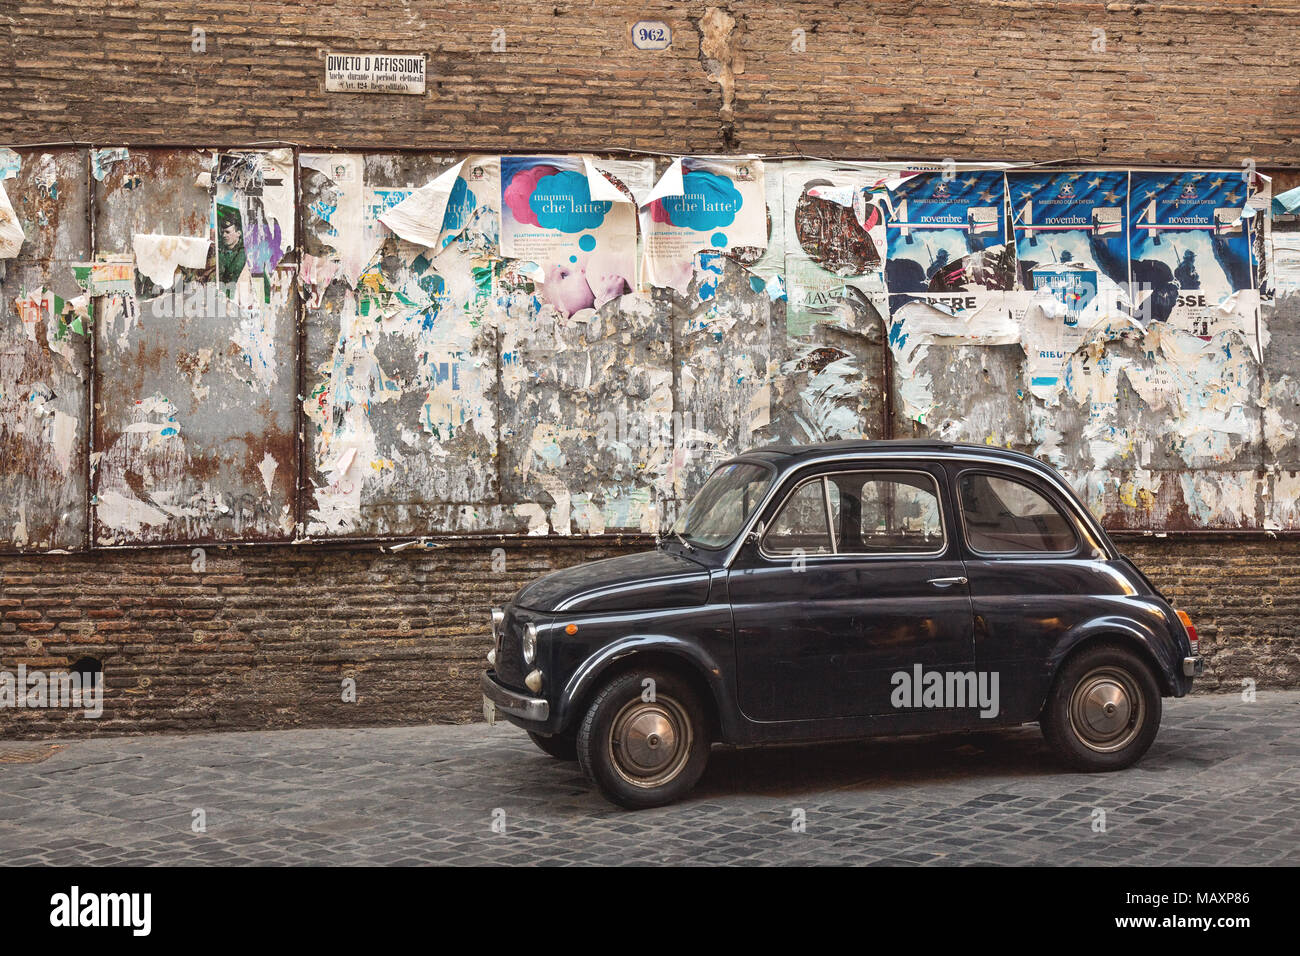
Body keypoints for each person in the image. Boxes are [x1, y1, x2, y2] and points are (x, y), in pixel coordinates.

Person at [218, 204, 248, 283]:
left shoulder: (247, 253)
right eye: (222, 232)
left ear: (238, 233)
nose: (224, 235)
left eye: (227, 232)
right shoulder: (218, 253)